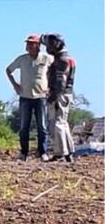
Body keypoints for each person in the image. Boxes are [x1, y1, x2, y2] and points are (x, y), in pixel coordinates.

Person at [5, 34, 53, 161]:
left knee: (42, 126)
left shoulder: (47, 58)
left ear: (38, 45)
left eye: (32, 43)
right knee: (23, 127)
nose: (29, 46)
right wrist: (15, 85)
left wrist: (51, 87)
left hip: (41, 96)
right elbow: (8, 70)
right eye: (28, 43)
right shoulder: (22, 59)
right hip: (25, 96)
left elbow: (55, 72)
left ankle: (43, 152)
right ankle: (24, 153)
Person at [41, 33, 76, 163]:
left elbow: (60, 80)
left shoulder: (60, 60)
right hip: (67, 94)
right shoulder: (68, 59)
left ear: (57, 45)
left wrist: (53, 96)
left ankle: (60, 153)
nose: (48, 47)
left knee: (57, 124)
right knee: (63, 122)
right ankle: (68, 152)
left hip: (59, 95)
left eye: (50, 44)